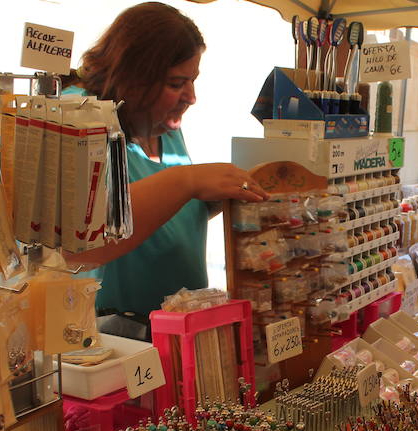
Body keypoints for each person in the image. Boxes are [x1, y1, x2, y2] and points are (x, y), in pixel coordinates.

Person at [61, 2, 268, 321]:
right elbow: (84, 239)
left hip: (178, 330)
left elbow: (163, 210)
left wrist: (215, 196)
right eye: (176, 84)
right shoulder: (79, 114)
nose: (191, 96)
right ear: (133, 77)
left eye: (192, 80)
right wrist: (188, 182)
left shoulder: (161, 124)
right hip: (111, 336)